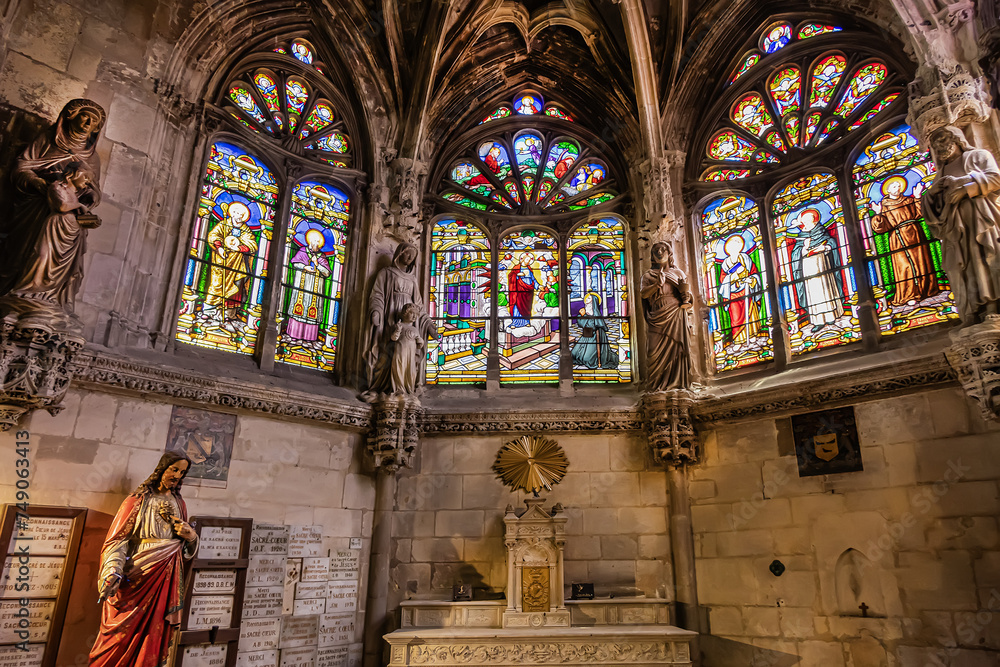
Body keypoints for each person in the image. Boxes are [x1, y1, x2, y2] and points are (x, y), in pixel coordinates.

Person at [88, 453, 199, 667]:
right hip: (137, 576)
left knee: (153, 635)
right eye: (174, 469)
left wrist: (191, 537)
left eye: (182, 472)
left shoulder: (179, 502)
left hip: (165, 577)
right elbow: (117, 540)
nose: (177, 475)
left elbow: (184, 545)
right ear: (162, 469)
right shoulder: (138, 500)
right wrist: (112, 571)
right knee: (118, 636)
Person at [0, 99, 105, 318]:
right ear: (70, 116)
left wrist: (87, 199)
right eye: (85, 116)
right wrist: (40, 184)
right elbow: (22, 168)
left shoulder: (91, 158)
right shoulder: (47, 141)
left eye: (94, 121)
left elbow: (94, 190)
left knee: (65, 263)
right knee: (36, 252)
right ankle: (26, 292)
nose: (88, 122)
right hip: (38, 209)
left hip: (70, 220)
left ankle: (51, 298)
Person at [922, 125, 1000, 323]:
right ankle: (970, 311)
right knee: (959, 266)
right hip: (954, 228)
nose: (940, 148)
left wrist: (966, 188)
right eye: (935, 145)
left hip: (978, 219)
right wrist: (931, 194)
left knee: (982, 258)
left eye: (944, 141)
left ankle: (992, 305)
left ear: (957, 140)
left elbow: (996, 178)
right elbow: (932, 211)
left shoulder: (978, 156)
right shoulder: (941, 173)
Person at [365, 242, 436, 398]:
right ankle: (388, 387)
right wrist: (376, 311)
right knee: (389, 350)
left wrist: (428, 324)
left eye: (413, 256)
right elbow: (377, 295)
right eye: (407, 253)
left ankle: (402, 386)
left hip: (408, 319)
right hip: (389, 316)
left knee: (405, 352)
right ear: (399, 253)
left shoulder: (413, 280)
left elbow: (418, 305)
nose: (410, 257)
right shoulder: (386, 273)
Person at [869, 176, 940, 305]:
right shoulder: (884, 206)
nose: (898, 188)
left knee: (921, 262)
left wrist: (918, 197)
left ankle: (927, 289)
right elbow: (879, 228)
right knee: (904, 266)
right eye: (894, 186)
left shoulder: (908, 200)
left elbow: (921, 213)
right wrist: (878, 214)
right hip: (898, 238)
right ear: (888, 190)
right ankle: (909, 295)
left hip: (916, 233)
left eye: (899, 186)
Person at [640, 242, 692, 391]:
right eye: (656, 250)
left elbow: (688, 296)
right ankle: (656, 386)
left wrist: (686, 296)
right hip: (657, 316)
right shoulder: (648, 275)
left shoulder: (678, 274)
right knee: (653, 352)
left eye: (663, 249)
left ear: (669, 254)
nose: (660, 252)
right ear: (652, 256)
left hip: (676, 314)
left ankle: (678, 385)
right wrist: (656, 285)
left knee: (678, 349)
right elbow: (643, 294)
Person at [789, 208, 844, 331]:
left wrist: (824, 248)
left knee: (825, 288)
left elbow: (831, 243)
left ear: (814, 219)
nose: (807, 221)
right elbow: (795, 253)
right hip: (808, 266)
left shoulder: (821, 231)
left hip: (822, 263)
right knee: (813, 292)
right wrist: (805, 248)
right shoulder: (801, 235)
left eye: (809, 219)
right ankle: (818, 321)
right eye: (804, 219)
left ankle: (831, 316)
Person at [204, 201, 258, 323]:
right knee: (217, 284)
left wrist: (239, 248)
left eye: (241, 214)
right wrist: (220, 247)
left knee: (237, 287)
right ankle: (209, 310)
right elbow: (213, 236)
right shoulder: (224, 224)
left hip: (238, 263)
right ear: (232, 214)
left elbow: (253, 245)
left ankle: (229, 313)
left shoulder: (246, 230)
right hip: (222, 260)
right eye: (236, 212)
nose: (238, 215)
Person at [285, 228, 332, 343]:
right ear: (309, 241)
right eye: (314, 240)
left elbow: (326, 273)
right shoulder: (302, 251)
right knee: (299, 307)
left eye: (317, 241)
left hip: (315, 288)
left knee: (313, 311)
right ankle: (293, 335)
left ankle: (309, 339)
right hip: (302, 284)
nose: (315, 243)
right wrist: (304, 267)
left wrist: (317, 264)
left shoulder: (322, 257)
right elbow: (295, 263)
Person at [718, 235, 761, 346]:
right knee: (736, 318)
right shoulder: (725, 263)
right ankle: (738, 340)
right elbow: (723, 280)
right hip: (732, 293)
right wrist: (734, 276)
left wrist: (751, 280)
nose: (735, 248)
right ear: (728, 248)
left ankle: (752, 335)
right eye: (732, 246)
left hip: (747, 290)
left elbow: (754, 273)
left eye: (737, 245)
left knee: (750, 313)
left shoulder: (746, 259)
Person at [571, 292, 619, 370]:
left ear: (593, 301)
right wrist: (582, 316)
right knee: (573, 354)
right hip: (586, 335)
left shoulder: (595, 313)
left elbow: (592, 326)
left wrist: (583, 316)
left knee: (587, 358)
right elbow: (581, 324)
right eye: (586, 298)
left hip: (595, 338)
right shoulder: (584, 310)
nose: (586, 299)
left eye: (589, 298)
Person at [391, 303, 422, 395]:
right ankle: (399, 389)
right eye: (412, 313)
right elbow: (393, 338)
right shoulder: (399, 326)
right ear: (405, 313)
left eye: (416, 314)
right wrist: (397, 330)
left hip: (411, 354)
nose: (414, 316)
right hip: (400, 352)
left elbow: (419, 342)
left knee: (411, 371)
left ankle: (409, 389)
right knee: (399, 368)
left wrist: (420, 342)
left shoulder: (415, 329)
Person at [508, 252, 539, 327]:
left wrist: (538, 286)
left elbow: (533, 279)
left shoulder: (529, 269)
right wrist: (518, 275)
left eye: (529, 260)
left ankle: (526, 322)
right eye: (527, 259)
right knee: (517, 305)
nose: (528, 261)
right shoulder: (516, 267)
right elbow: (511, 276)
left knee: (527, 307)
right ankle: (515, 322)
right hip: (519, 289)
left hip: (528, 291)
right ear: (523, 259)